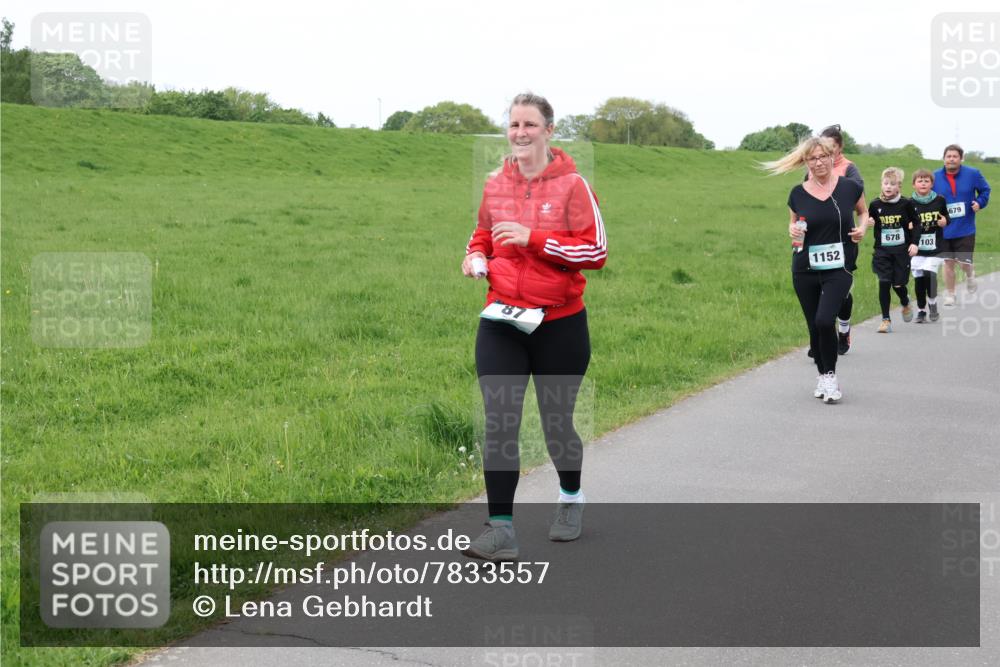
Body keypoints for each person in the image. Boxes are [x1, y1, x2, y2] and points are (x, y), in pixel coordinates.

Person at [459, 93, 607, 561]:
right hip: (502, 317)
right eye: (513, 124)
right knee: (500, 421)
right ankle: (501, 530)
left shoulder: (573, 185)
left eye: (529, 124)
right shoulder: (495, 185)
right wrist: (475, 256)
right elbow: (480, 234)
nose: (520, 132)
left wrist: (535, 240)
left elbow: (595, 251)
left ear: (548, 130)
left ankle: (570, 497)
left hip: (559, 324)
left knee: (556, 423)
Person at [767, 137, 868, 403]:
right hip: (805, 267)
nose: (819, 162)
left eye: (824, 156)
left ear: (833, 156)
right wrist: (791, 231)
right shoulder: (797, 193)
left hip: (839, 266)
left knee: (826, 320)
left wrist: (862, 230)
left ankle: (831, 378)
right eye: (813, 158)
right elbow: (795, 227)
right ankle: (822, 375)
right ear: (806, 162)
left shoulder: (849, 188)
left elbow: (864, 213)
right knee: (814, 326)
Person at [805, 125, 863, 356]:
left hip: (843, 241)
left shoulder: (849, 169)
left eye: (829, 148)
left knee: (839, 292)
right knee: (817, 289)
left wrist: (861, 228)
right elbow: (804, 200)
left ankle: (844, 329)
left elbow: (860, 202)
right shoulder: (812, 167)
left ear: (838, 148)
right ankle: (817, 341)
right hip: (817, 242)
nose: (822, 155)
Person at [933, 145, 991, 306]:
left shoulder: (973, 174)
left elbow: (985, 191)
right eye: (948, 156)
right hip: (944, 227)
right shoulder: (935, 176)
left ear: (961, 159)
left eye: (955, 156)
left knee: (964, 261)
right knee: (948, 262)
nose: (951, 159)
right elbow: (926, 195)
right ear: (943, 158)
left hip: (965, 226)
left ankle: (970, 276)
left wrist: (979, 203)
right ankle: (950, 294)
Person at [868, 168, 919, 333]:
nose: (888, 187)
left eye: (892, 184)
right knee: (884, 282)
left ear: (899, 186)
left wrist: (914, 243)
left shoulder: (906, 204)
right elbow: (868, 218)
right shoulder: (875, 205)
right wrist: (867, 222)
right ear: (881, 184)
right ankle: (885, 320)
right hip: (882, 251)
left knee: (898, 284)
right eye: (885, 183)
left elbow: (916, 223)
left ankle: (905, 301)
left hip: (901, 251)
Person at [909, 169, 950, 323]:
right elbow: (904, 223)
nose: (923, 183)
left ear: (932, 184)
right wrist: (909, 225)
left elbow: (947, 217)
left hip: (935, 248)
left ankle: (932, 303)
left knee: (929, 275)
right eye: (920, 180)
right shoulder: (909, 203)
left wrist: (945, 221)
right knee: (919, 280)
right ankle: (921, 311)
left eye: (927, 180)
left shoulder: (939, 200)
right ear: (914, 185)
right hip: (917, 249)